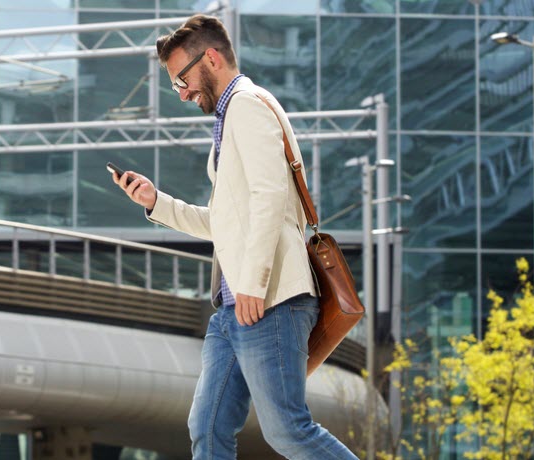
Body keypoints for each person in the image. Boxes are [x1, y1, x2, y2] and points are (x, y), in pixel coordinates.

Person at [110, 14, 358, 460]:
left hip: (267, 301)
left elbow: (269, 195)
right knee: (206, 427)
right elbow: (224, 222)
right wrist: (154, 202)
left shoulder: (246, 104)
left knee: (288, 431)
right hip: (232, 309)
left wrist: (253, 285)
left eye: (181, 78)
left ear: (211, 58)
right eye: (175, 85)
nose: (182, 92)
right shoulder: (227, 119)